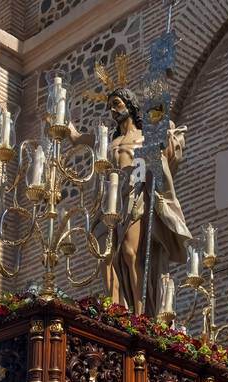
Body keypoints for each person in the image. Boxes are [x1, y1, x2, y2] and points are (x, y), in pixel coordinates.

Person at [69, 88, 192, 313]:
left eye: (116, 103)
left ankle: (139, 314)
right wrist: (62, 122)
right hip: (108, 199)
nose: (112, 110)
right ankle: (115, 310)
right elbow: (78, 138)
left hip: (134, 194)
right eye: (110, 106)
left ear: (130, 105)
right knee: (105, 254)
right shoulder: (108, 140)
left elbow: (168, 150)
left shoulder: (145, 137)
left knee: (128, 251)